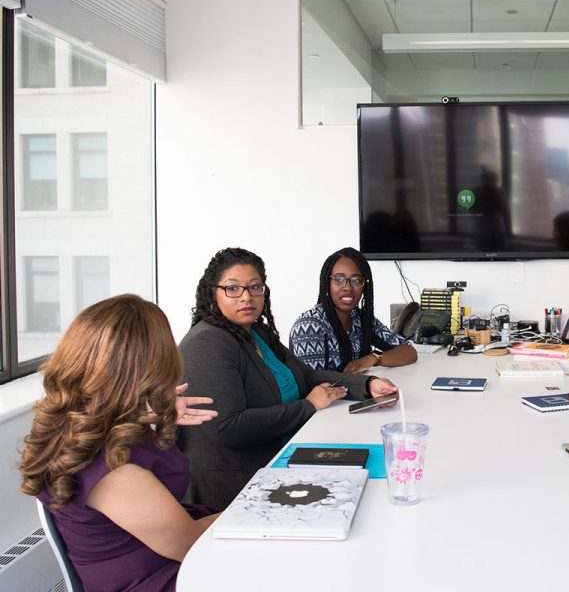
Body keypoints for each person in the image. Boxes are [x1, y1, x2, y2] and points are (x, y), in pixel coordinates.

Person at [19, 294, 220, 592]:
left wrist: (144, 414)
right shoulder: (115, 471)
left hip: (157, 559)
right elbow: (191, 546)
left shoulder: (78, 424)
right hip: (163, 576)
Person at [177, 248, 398, 509]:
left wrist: (367, 385)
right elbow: (228, 427)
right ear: (212, 292)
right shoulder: (207, 343)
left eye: (255, 287)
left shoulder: (255, 331)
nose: (247, 297)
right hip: (236, 485)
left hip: (283, 456)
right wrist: (308, 406)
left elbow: (307, 376)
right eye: (233, 288)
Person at [290, 247, 416, 373]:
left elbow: (409, 352)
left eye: (356, 280)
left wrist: (374, 358)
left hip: (360, 390)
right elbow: (314, 384)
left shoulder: (360, 319)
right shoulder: (309, 326)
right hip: (341, 391)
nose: (348, 288)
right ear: (326, 283)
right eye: (339, 279)